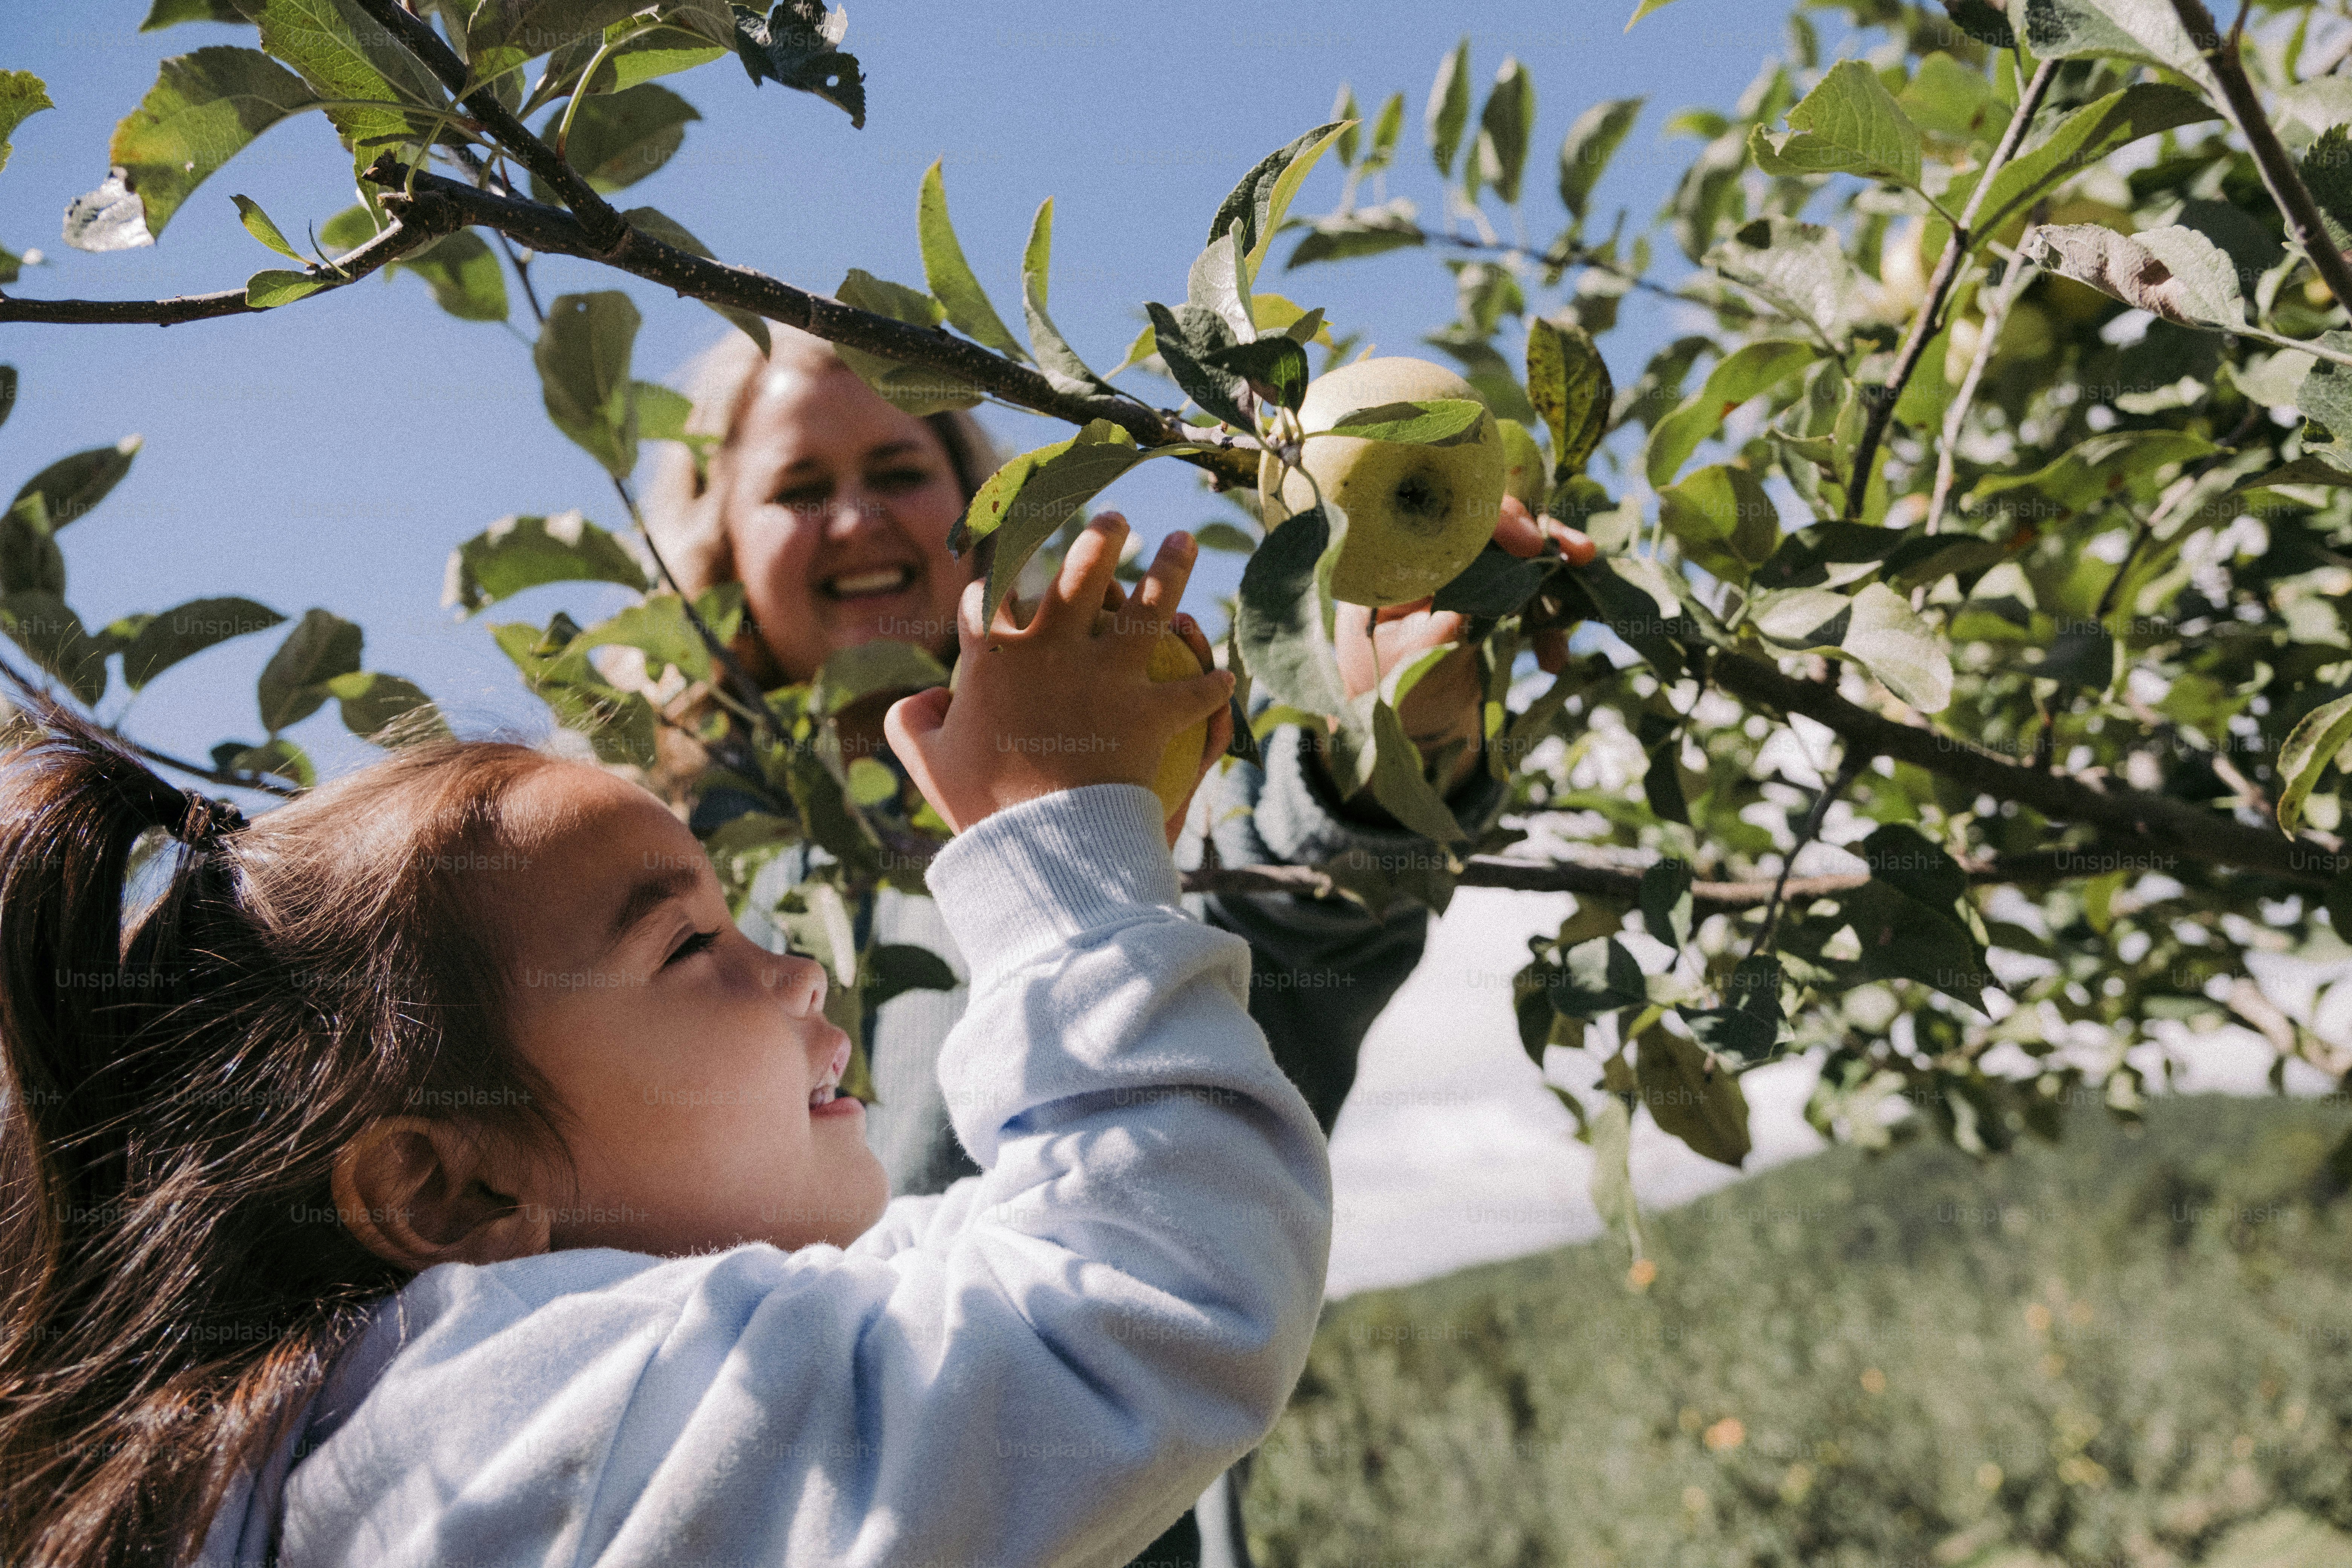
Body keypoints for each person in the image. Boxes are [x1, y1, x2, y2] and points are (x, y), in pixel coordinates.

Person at [0, 519, 1331, 1566]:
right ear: (446, 1187)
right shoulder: (505, 1439)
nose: (802, 972)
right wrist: (1062, 859)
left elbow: (1003, 1261)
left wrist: (1102, 834)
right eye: (691, 948)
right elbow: (1137, 1309)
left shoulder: (412, 1426)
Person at [632, 322, 1593, 1565]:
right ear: (718, 540)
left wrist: (1388, 742)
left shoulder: (1103, 761)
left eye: (899, 472)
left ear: (981, 507)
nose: (859, 518)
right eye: (801, 490)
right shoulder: (644, 876)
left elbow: (1266, 947)